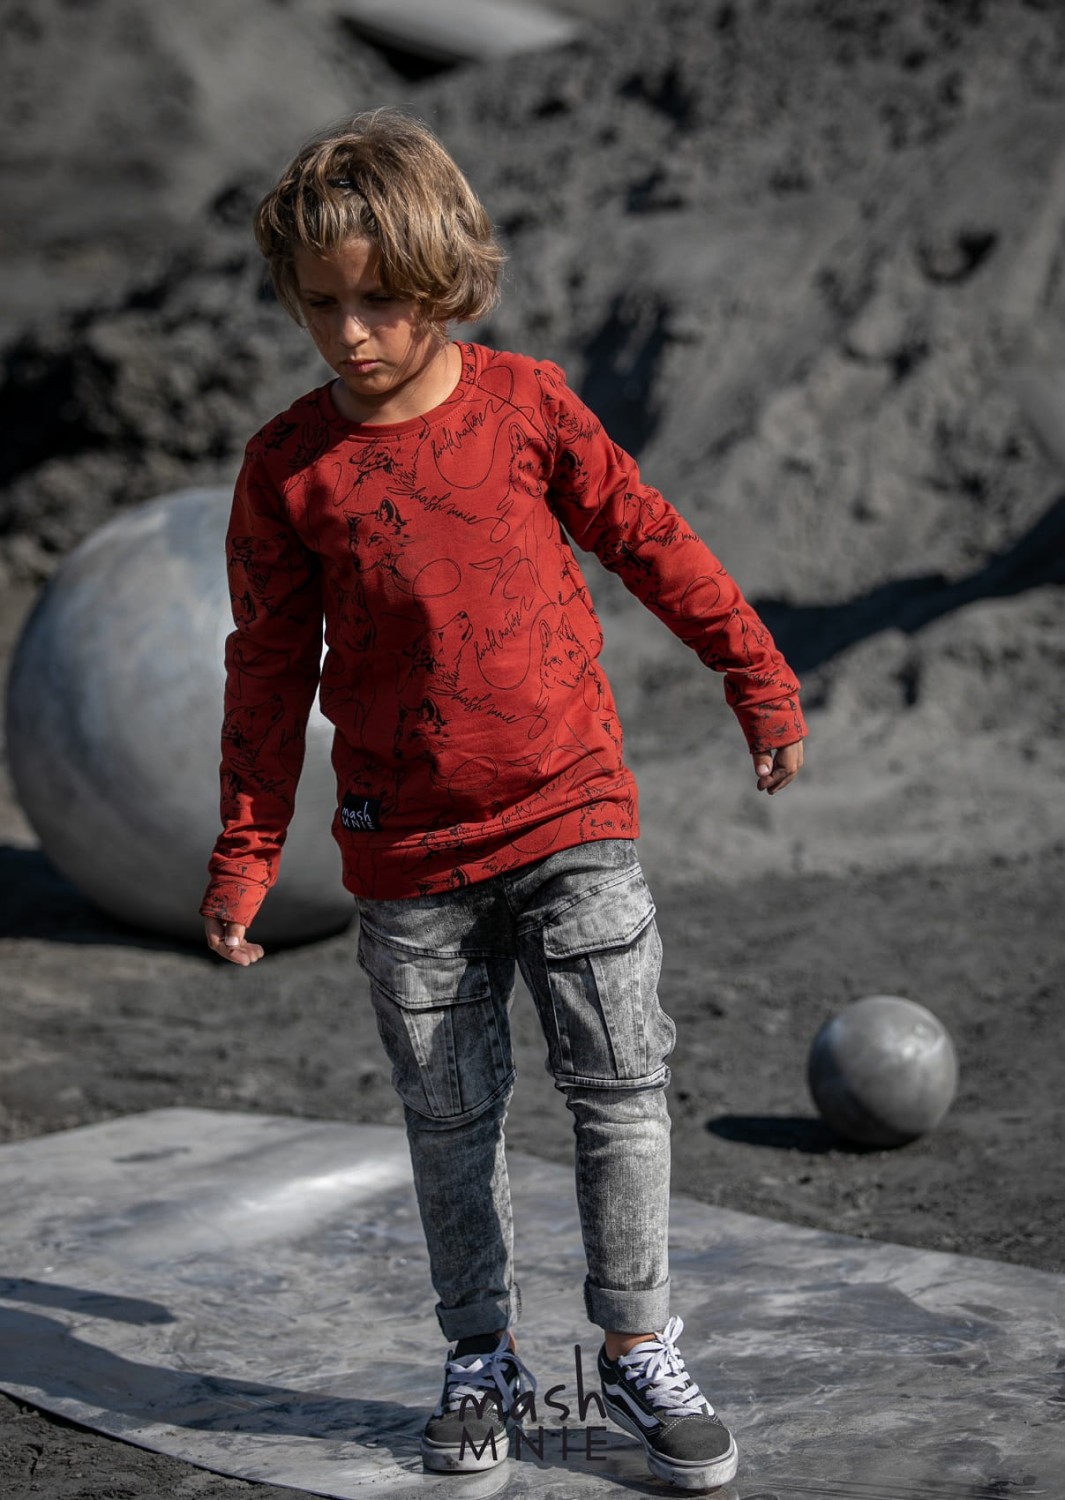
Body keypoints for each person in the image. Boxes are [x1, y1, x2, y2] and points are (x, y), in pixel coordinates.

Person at [201, 107, 805, 1490]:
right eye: (321, 306)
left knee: (620, 1090)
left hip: (569, 816)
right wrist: (246, 850)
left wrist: (756, 676)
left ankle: (637, 1349)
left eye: (381, 302)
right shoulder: (287, 470)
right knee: (449, 1122)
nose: (352, 334)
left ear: (445, 282)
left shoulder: (526, 405)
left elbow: (649, 539)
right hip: (405, 859)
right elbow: (265, 669)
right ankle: (480, 1357)